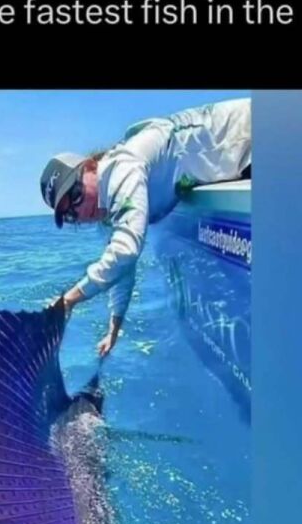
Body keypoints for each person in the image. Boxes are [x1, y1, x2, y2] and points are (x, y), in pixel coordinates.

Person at [40, 97, 251, 356]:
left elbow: (126, 250)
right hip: (238, 162)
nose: (79, 211)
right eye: (70, 214)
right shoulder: (112, 210)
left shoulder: (122, 166)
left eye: (75, 194)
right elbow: (122, 267)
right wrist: (114, 327)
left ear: (90, 167)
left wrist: (70, 299)